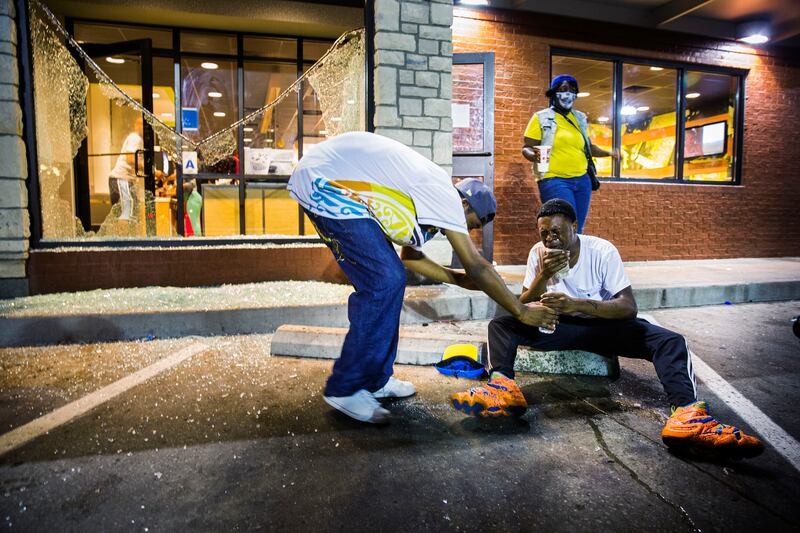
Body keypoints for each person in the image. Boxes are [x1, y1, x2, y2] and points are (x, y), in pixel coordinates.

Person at [451, 199, 764, 460]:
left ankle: (688, 416)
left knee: (669, 341)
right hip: (559, 326)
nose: (550, 239)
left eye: (557, 232)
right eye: (544, 233)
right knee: (502, 324)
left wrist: (578, 304)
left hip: (602, 324)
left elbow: (628, 307)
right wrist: (543, 276)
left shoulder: (601, 251)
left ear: (575, 228)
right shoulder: (538, 253)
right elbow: (522, 302)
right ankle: (501, 388)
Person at [288, 131, 557, 424]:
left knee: (391, 278)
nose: (466, 230)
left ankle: (376, 379)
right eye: (472, 224)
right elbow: (478, 266)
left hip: (329, 175)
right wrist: (521, 310)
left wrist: (456, 279)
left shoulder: (427, 203)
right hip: (322, 180)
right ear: (466, 205)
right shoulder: (446, 197)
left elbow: (411, 257)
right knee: (384, 281)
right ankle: (346, 387)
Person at [522, 75, 611, 234]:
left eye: (572, 90)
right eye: (563, 90)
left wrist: (610, 153)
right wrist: (536, 155)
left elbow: (589, 147)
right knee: (563, 225)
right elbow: (526, 147)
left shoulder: (580, 118)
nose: (568, 94)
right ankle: (559, 257)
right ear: (554, 93)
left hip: (582, 180)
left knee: (577, 228)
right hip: (554, 179)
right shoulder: (541, 118)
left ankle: (574, 258)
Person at [108, 116, 145, 222]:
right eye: (141, 124)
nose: (143, 127)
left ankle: (128, 237)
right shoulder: (135, 138)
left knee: (131, 214)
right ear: (136, 126)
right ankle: (124, 237)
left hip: (125, 180)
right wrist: (147, 167)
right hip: (121, 179)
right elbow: (130, 159)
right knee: (126, 215)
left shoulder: (137, 139)